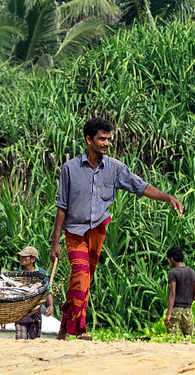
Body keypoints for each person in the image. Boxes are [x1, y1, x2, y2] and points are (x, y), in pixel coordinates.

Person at [50, 117, 183, 341]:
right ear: (88, 139)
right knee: (81, 276)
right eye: (102, 139)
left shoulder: (115, 168)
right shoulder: (69, 169)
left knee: (84, 281)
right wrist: (55, 243)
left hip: (97, 230)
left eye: (109, 139)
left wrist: (168, 198)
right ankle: (79, 329)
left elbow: (140, 186)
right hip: (74, 232)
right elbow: (62, 207)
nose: (106, 143)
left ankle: (65, 326)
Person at [13, 246, 54, 340]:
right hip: (20, 312)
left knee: (35, 339)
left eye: (24, 257)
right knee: (20, 337)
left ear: (33, 259)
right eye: (21, 256)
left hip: (36, 310)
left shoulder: (41, 274)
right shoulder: (16, 274)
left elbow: (47, 291)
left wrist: (50, 305)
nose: (21, 259)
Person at [164, 246, 195, 336]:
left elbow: (172, 293)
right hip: (188, 310)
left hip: (176, 310)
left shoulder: (173, 273)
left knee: (173, 338)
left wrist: (168, 314)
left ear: (172, 258)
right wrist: (188, 302)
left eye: (169, 259)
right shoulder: (192, 272)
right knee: (190, 338)